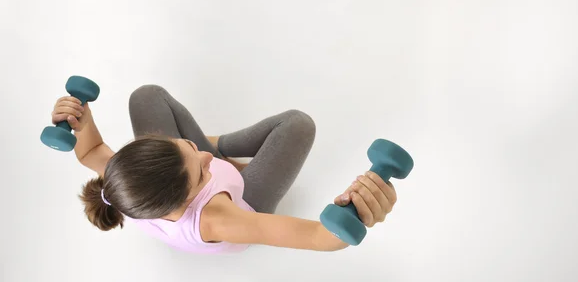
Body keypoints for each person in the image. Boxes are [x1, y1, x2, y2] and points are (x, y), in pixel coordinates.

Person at [50, 84, 398, 253]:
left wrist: (77, 115)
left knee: (146, 96)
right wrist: (364, 209)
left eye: (184, 147)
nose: (206, 160)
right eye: (202, 173)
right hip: (246, 200)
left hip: (174, 182)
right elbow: (318, 236)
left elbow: (91, 150)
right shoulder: (218, 217)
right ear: (185, 201)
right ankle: (226, 161)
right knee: (298, 125)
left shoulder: (124, 182)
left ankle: (208, 150)